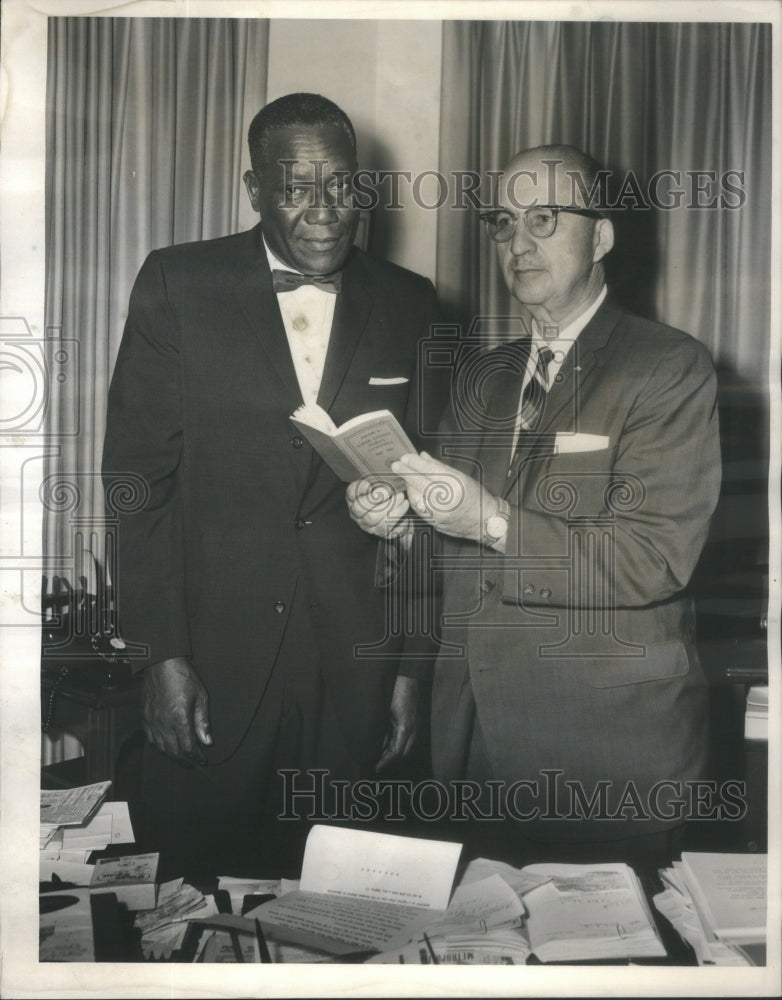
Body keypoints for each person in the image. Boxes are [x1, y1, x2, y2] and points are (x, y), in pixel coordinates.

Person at [347, 145, 722, 866]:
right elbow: (455, 554)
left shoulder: (667, 367)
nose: (517, 244)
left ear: (602, 237)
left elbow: (653, 560)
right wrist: (398, 528)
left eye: (544, 219)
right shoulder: (484, 381)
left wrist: (489, 519)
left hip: (607, 762)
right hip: (473, 755)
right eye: (501, 223)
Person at [102, 93, 441, 877]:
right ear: (254, 190)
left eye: (341, 185)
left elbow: (432, 500)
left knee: (343, 911)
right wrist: (160, 657)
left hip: (356, 675)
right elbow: (137, 486)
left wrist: (411, 671)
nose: (324, 211)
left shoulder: (413, 303)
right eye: (294, 187)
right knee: (191, 904)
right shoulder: (177, 283)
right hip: (211, 674)